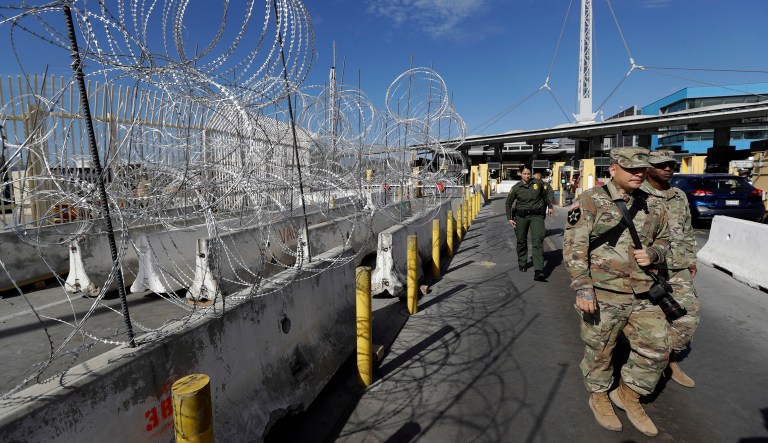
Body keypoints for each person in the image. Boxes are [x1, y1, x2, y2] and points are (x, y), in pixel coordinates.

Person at [563, 147, 670, 436]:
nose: (639, 174)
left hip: (644, 291)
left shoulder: (653, 203)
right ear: (612, 169)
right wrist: (583, 287)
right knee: (601, 350)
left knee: (659, 347)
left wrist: (655, 254)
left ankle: (629, 394)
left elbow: (664, 239)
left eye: (643, 169)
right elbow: (574, 248)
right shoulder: (590, 201)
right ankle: (599, 394)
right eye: (632, 169)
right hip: (604, 291)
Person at [643, 152, 700, 388]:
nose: (668, 169)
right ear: (648, 168)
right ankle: (644, 365)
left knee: (688, 317)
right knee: (647, 322)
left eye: (671, 165)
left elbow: (686, 228)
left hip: (677, 266)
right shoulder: (637, 194)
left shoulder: (679, 195)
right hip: (648, 268)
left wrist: (691, 258)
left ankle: (668, 359)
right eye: (661, 165)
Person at [505, 166, 554, 281]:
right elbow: (508, 203)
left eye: (528, 174)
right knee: (521, 241)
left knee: (537, 241)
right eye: (524, 174)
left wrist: (550, 207)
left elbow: (545, 196)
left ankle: (539, 271)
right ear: (520, 174)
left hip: (536, 216)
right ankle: (522, 262)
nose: (527, 176)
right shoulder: (516, 188)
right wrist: (509, 218)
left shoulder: (538, 184)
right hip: (521, 217)